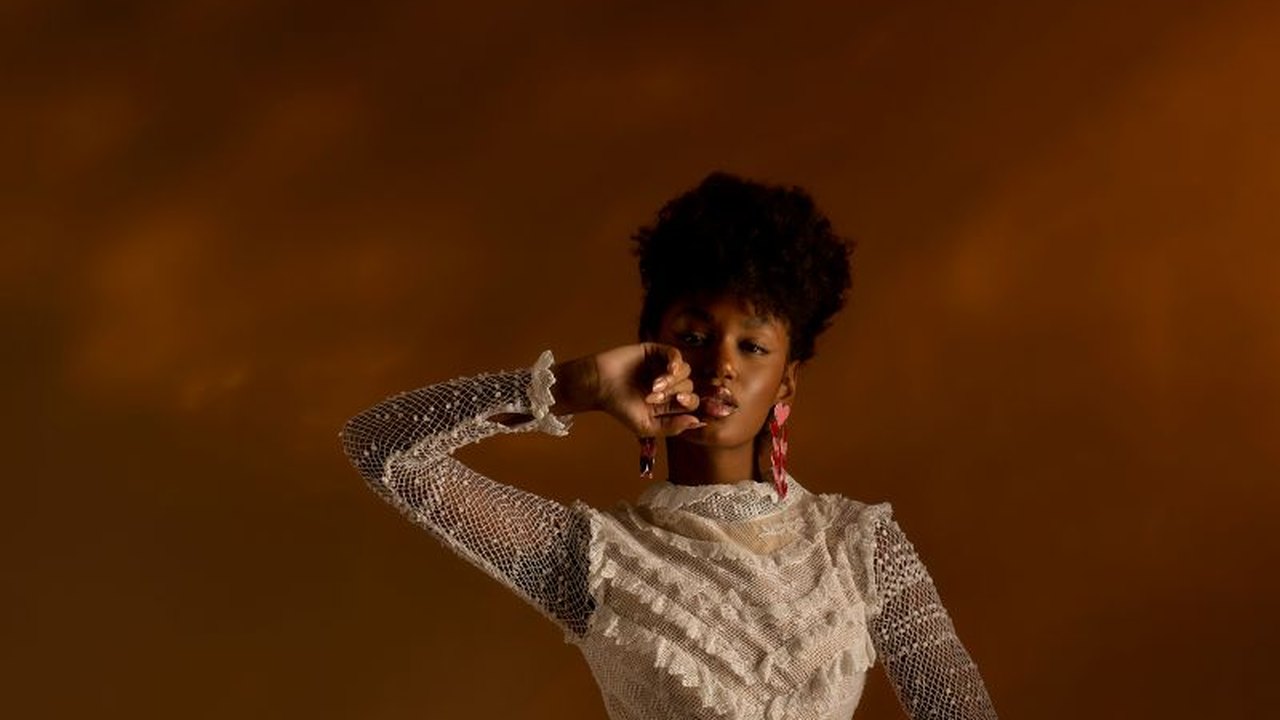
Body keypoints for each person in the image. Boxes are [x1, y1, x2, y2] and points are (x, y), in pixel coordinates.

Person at [339, 172, 998, 719]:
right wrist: (575, 386)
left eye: (753, 346)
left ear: (786, 381)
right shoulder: (593, 559)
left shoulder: (858, 547)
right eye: (695, 336)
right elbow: (381, 449)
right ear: (650, 345)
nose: (722, 366)